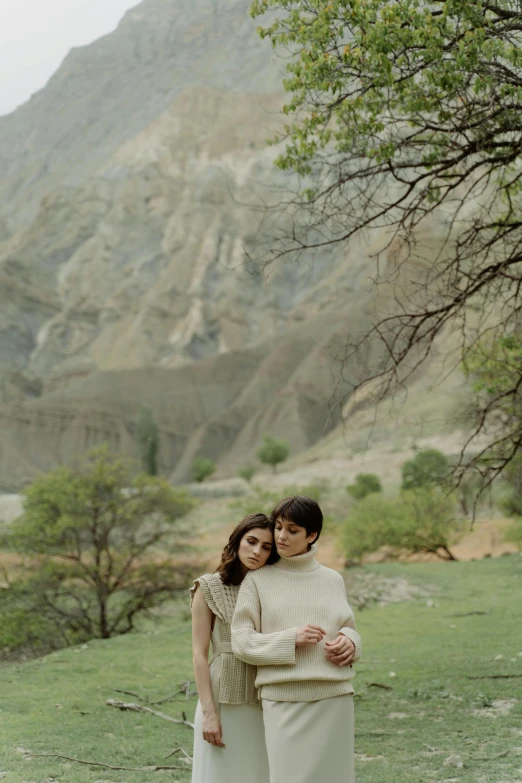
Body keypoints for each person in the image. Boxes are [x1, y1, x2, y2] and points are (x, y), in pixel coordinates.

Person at [231, 495, 362, 783]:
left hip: (334, 698)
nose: (281, 536)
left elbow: (347, 627)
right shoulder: (258, 580)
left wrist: (351, 641)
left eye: (292, 530)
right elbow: (241, 640)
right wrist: (291, 639)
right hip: (283, 700)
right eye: (278, 527)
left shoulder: (332, 579)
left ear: (311, 535)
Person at [190, 512, 277, 783]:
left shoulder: (272, 586)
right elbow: (198, 654)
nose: (256, 551)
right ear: (237, 540)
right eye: (251, 541)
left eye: (266, 547)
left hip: (264, 691)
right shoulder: (209, 587)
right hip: (221, 694)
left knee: (259, 772)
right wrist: (209, 715)